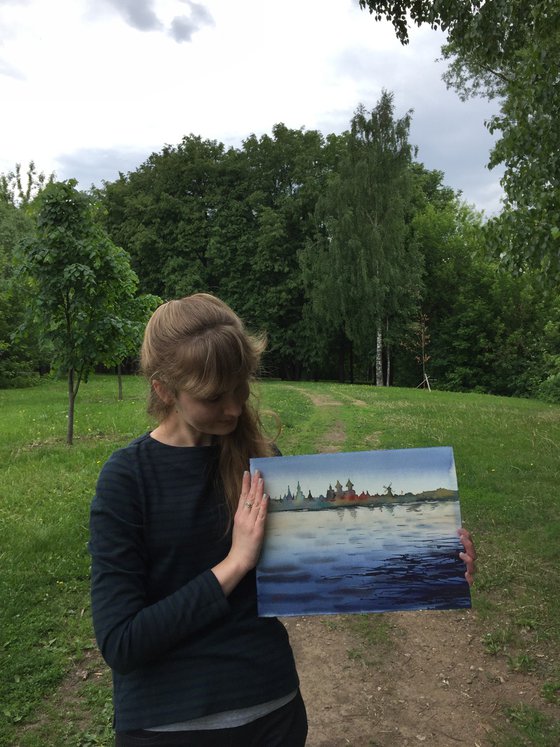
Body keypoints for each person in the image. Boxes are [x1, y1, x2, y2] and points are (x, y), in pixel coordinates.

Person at [89, 292, 476, 747]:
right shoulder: (127, 478)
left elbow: (330, 566)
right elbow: (122, 643)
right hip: (164, 729)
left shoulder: (261, 459)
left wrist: (432, 556)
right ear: (163, 390)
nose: (234, 408)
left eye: (240, 387)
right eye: (215, 396)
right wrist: (234, 564)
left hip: (272, 715)